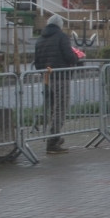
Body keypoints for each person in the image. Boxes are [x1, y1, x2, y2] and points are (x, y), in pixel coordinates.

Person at [34, 14, 81, 154]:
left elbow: (37, 62)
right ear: (60, 25)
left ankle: (55, 137)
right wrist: (76, 56)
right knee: (60, 108)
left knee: (52, 108)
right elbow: (69, 56)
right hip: (61, 77)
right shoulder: (62, 37)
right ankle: (53, 141)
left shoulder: (40, 38)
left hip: (47, 78)